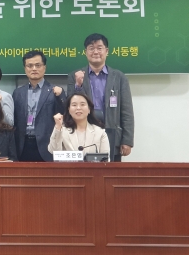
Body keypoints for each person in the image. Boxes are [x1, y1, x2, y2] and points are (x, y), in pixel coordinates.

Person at [67, 33, 134, 161]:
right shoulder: (75, 76)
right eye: (91, 48)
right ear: (85, 52)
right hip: (83, 135)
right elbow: (70, 106)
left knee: (111, 176)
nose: (95, 52)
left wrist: (127, 140)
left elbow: (127, 111)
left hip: (112, 134)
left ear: (106, 51)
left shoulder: (119, 77)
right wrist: (78, 85)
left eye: (99, 48)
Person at [12, 50, 66, 162]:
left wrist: (60, 96)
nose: (34, 69)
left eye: (38, 65)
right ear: (25, 69)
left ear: (44, 67)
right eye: (30, 66)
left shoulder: (55, 91)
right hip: (22, 145)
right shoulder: (18, 93)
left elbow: (64, 114)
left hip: (46, 145)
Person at [49, 92, 110, 159]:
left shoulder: (100, 132)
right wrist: (58, 127)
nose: (78, 108)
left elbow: (106, 161)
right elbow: (53, 151)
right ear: (69, 110)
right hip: (68, 169)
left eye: (82, 104)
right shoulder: (62, 131)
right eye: (74, 105)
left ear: (89, 109)